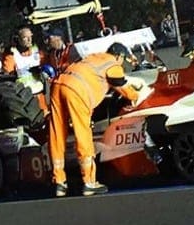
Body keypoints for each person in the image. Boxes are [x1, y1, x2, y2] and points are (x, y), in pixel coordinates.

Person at [47, 43, 143, 197]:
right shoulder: (112, 62)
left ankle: (59, 182)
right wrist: (136, 96)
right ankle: (89, 182)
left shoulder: (93, 58)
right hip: (76, 91)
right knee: (83, 135)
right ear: (119, 56)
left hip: (58, 84)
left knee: (57, 135)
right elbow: (119, 83)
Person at [2, 25, 45, 93]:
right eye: (25, 37)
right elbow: (9, 77)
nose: (29, 40)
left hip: (42, 92)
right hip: (24, 96)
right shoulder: (11, 55)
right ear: (17, 39)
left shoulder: (37, 51)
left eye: (30, 36)